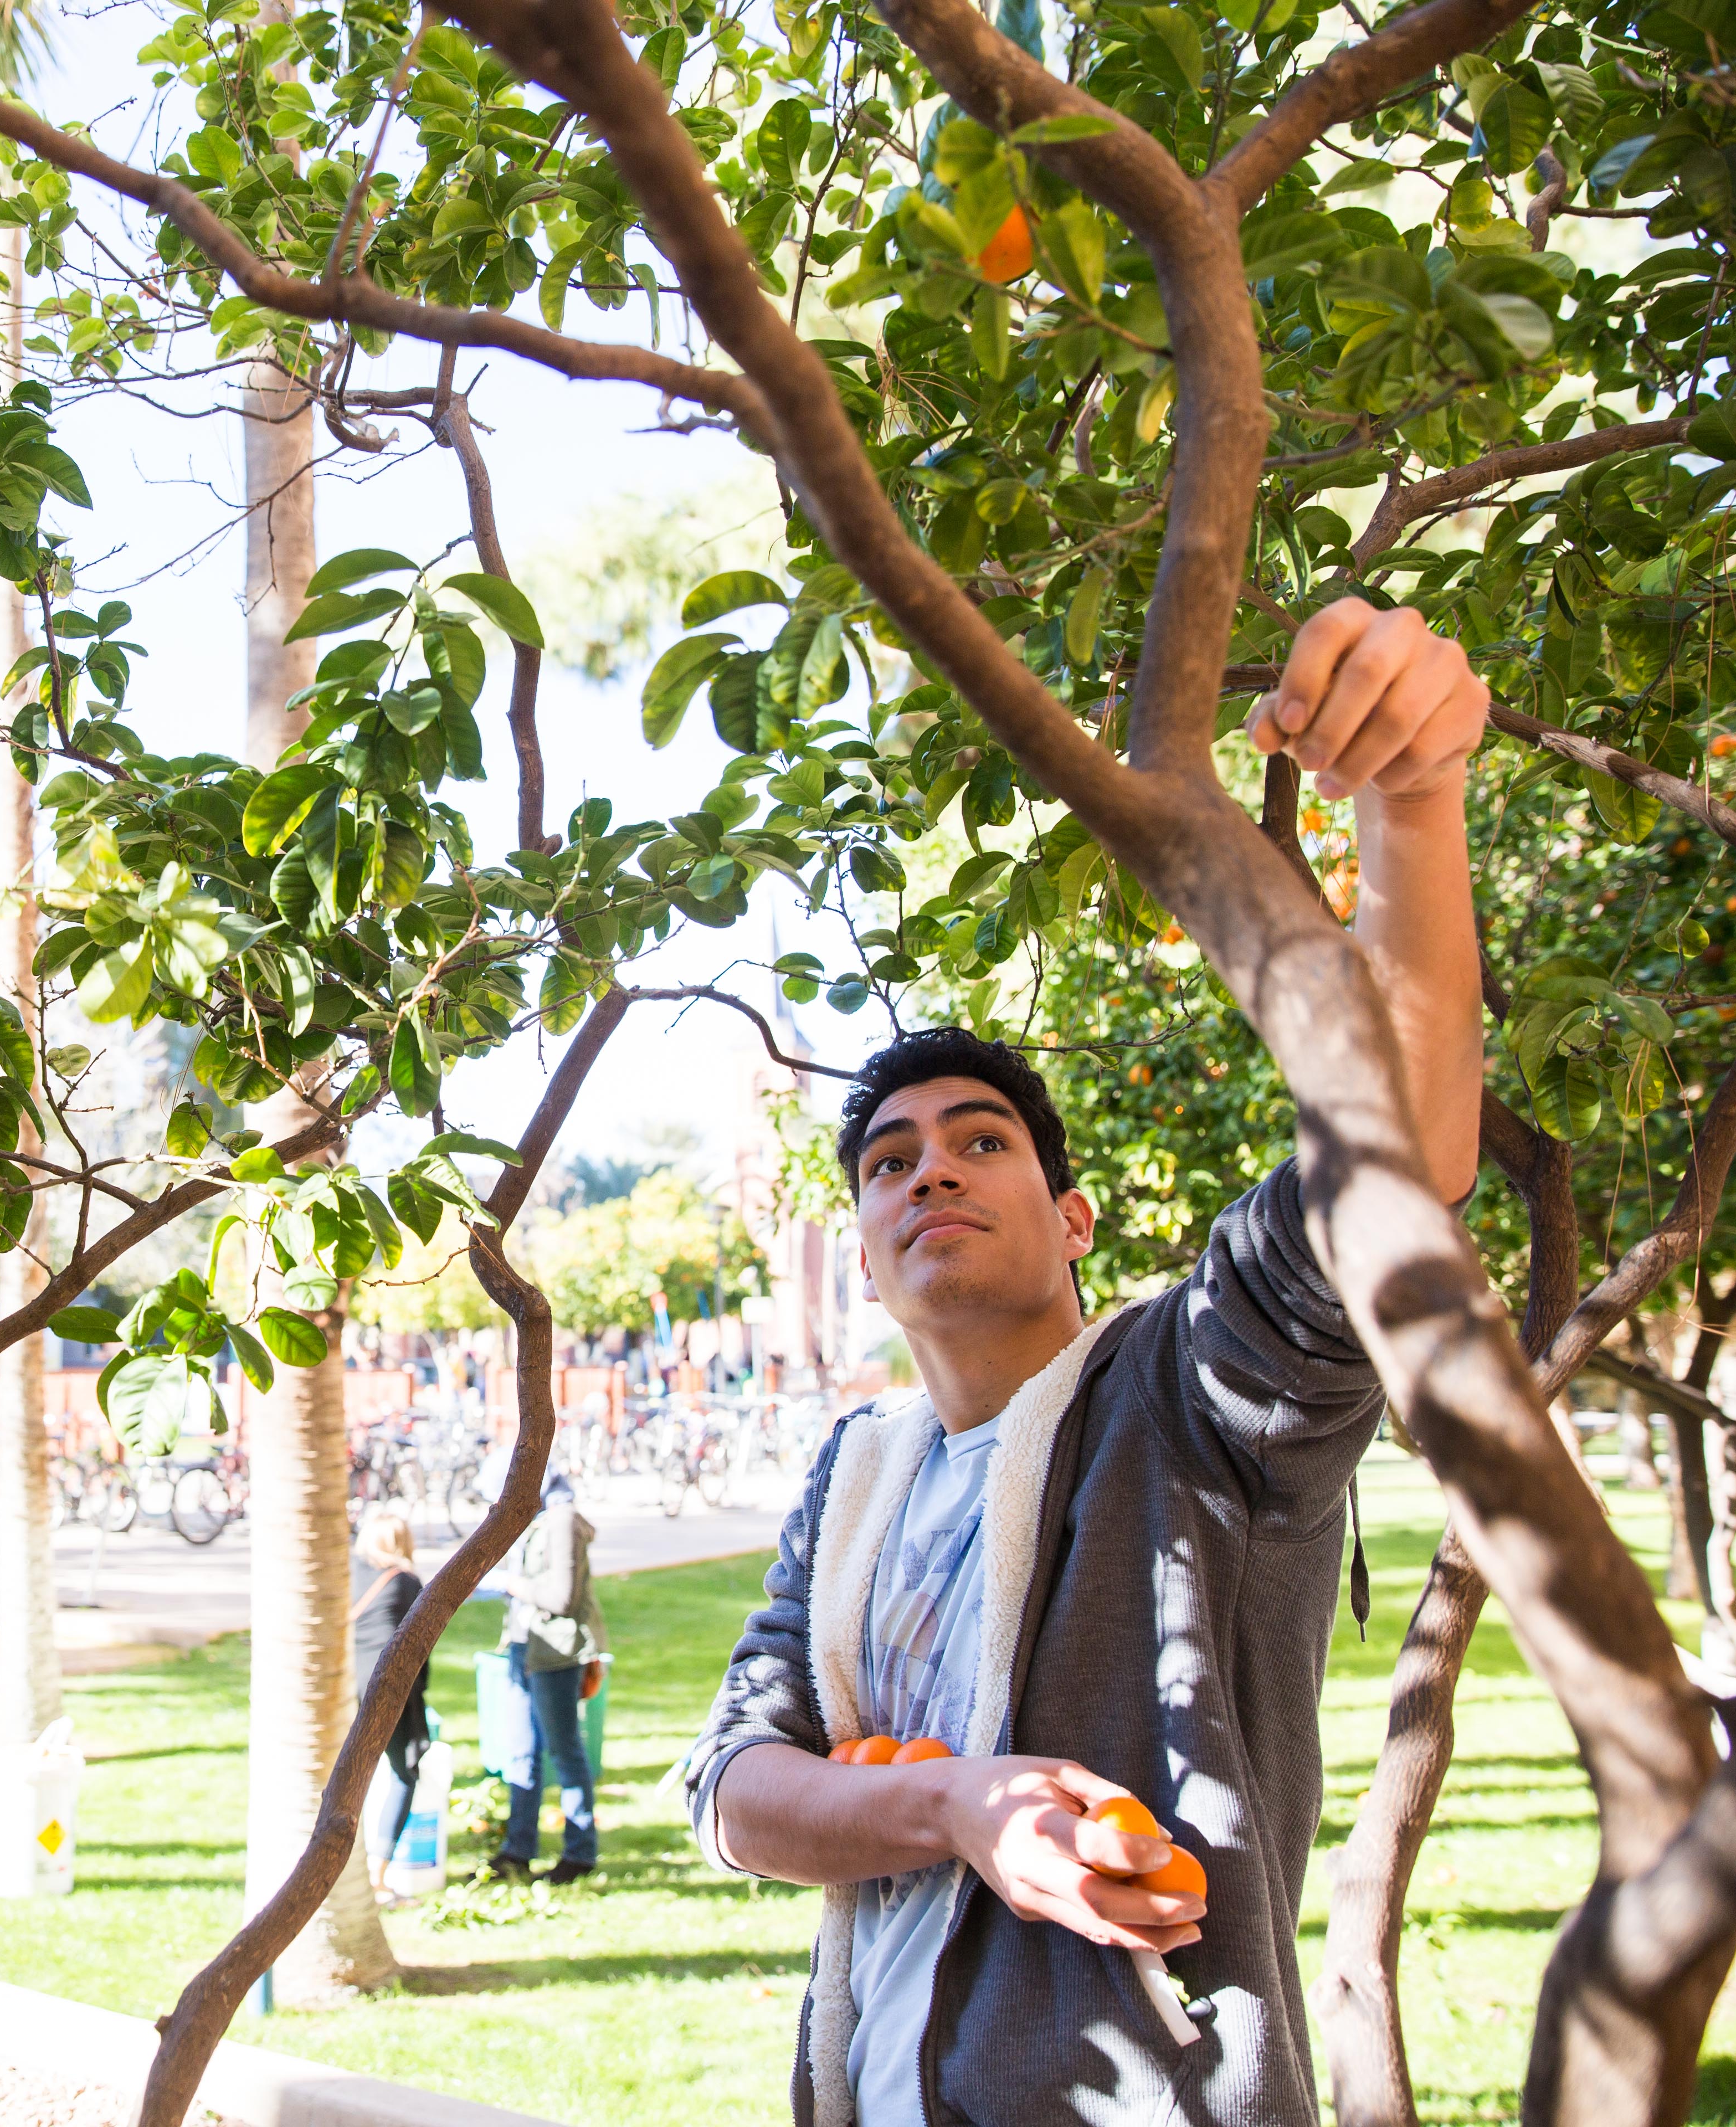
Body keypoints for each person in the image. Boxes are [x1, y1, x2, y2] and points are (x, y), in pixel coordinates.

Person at [681, 599, 1488, 2127]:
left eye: (980, 1144)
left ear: (1071, 1220)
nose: (931, 1173)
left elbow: (1394, 1160)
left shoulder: (1190, 1399)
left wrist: (1415, 800)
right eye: (893, 1161)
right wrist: (955, 1807)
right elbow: (733, 1789)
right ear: (864, 1253)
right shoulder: (856, 1477)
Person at [490, 1468, 606, 1884]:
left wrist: (510, 1584)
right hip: (523, 1646)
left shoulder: (562, 1520)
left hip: (556, 1652)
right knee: (521, 1752)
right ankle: (516, 1851)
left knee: (565, 1752)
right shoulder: (529, 1516)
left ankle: (580, 1852)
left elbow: (561, 1596)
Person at [350, 1507, 429, 1903]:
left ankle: (353, 1869)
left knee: (348, 1780)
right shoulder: (407, 1582)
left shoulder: (350, 1573)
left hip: (348, 1685)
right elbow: (422, 1646)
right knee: (403, 1774)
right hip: (390, 1689)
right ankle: (378, 1875)